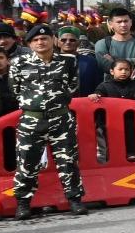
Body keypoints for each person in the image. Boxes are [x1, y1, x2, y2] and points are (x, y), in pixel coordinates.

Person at [10, 26, 87, 217]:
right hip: (32, 120)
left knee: (68, 160)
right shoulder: (19, 62)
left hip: (61, 118)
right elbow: (15, 89)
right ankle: (23, 203)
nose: (40, 42)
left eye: (44, 38)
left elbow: (73, 85)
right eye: (35, 40)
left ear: (54, 40)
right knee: (27, 162)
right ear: (29, 44)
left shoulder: (68, 61)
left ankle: (75, 199)